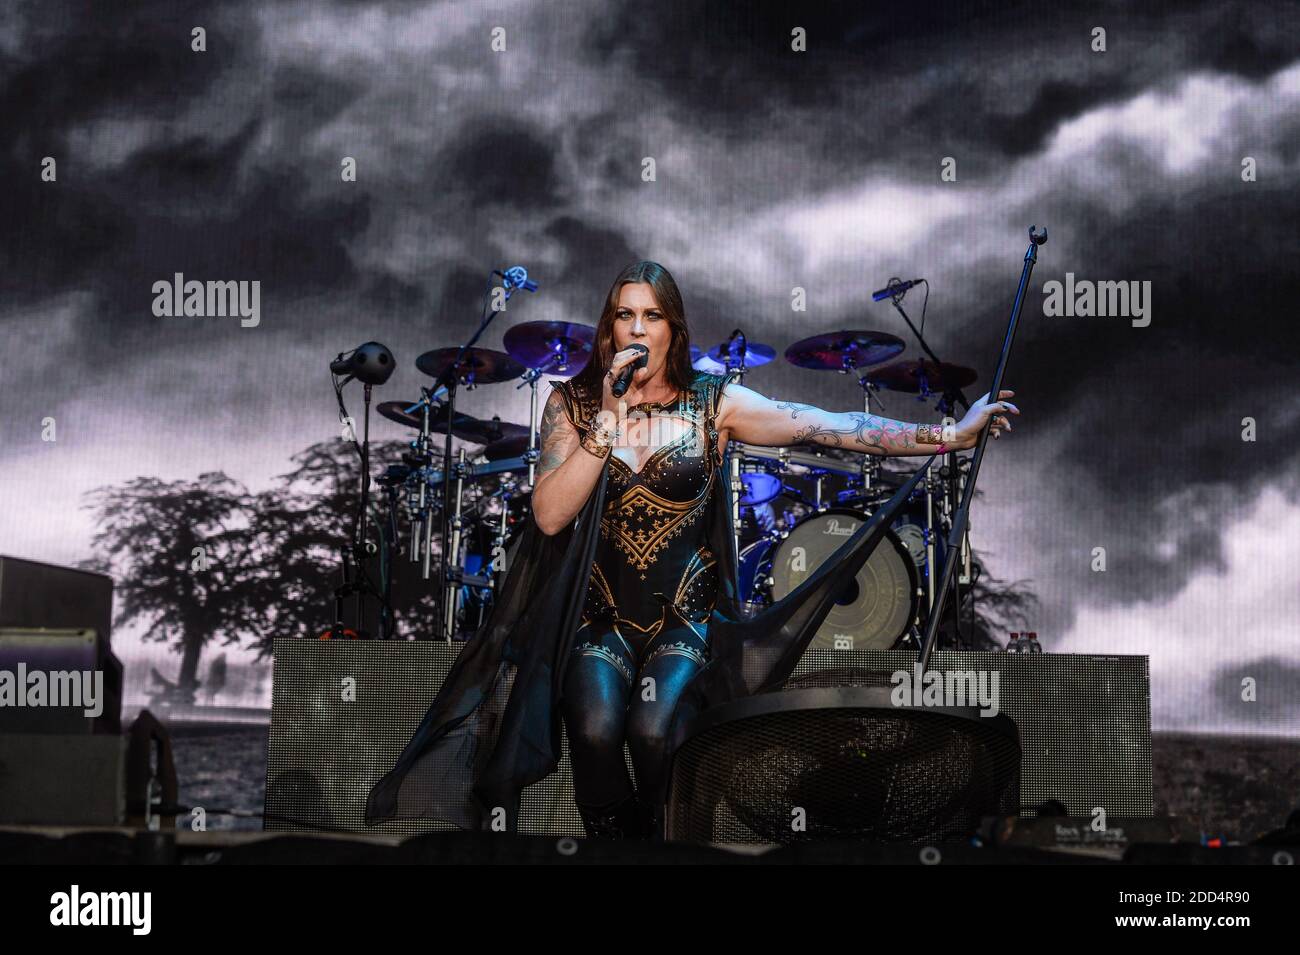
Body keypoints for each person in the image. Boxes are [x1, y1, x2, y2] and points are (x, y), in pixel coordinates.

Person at [365, 260, 1018, 840]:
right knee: (593, 732)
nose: (638, 328)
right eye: (625, 315)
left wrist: (947, 435)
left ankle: (668, 837)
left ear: (673, 330)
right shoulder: (574, 407)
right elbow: (549, 512)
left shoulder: (715, 404)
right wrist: (608, 422)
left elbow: (832, 427)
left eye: (652, 315)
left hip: (685, 620)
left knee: (653, 731)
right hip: (599, 619)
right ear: (608, 330)